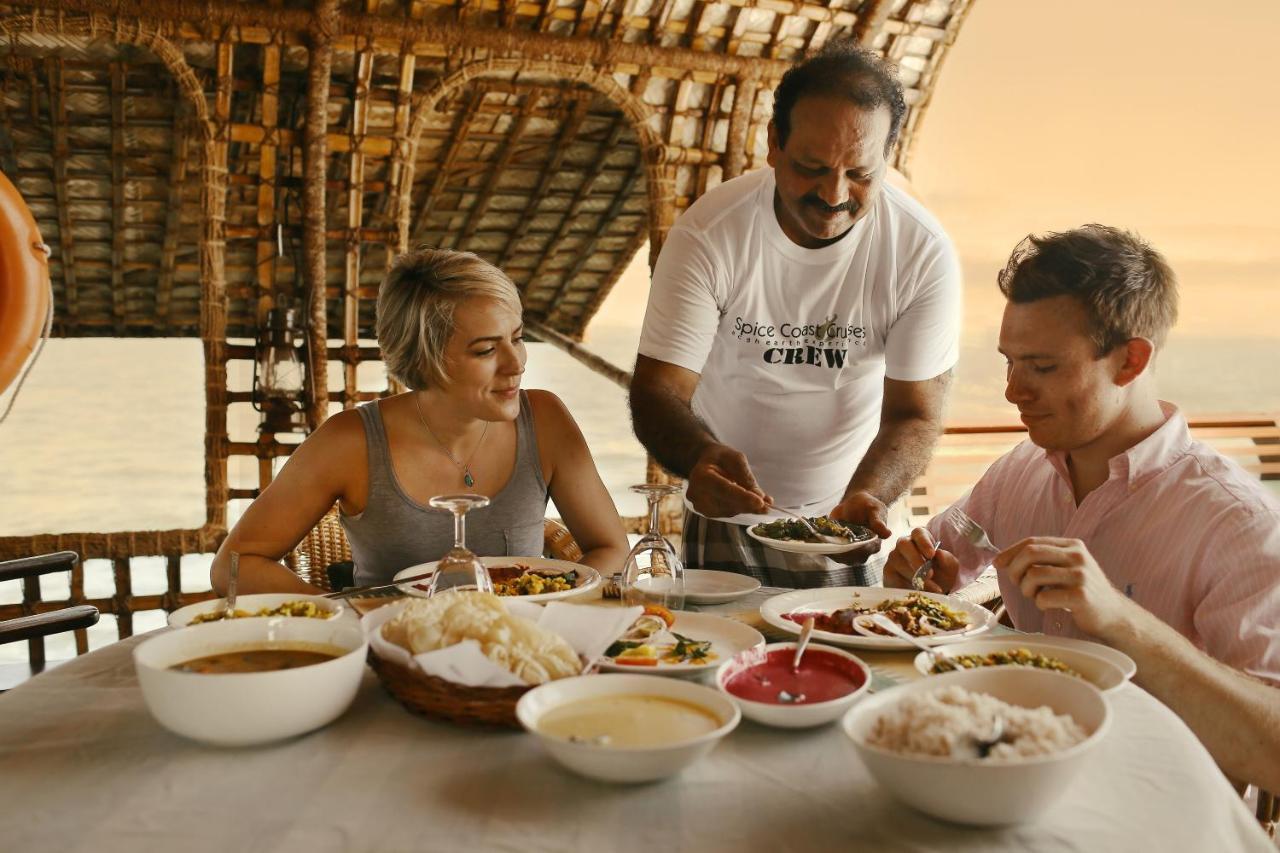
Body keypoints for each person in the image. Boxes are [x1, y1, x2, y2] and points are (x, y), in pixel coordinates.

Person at [884, 225, 1280, 789]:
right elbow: (940, 561)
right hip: (1006, 779)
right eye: (1009, 363)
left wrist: (1121, 620)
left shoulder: (1239, 525)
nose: (1012, 392)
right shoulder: (1019, 471)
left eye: (1042, 367)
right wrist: (920, 577)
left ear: (1130, 361)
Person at [629, 40, 961, 588]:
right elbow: (658, 388)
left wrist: (870, 495)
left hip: (851, 518)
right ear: (774, 144)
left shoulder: (921, 250)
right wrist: (699, 457)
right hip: (725, 518)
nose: (834, 195)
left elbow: (915, 413)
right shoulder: (710, 233)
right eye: (812, 167)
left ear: (888, 158)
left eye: (860, 173)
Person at [211, 249, 629, 594]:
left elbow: (610, 547)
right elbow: (234, 565)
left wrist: (554, 606)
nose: (515, 363)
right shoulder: (351, 442)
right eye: (485, 350)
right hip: (394, 657)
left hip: (518, 652)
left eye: (517, 338)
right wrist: (343, 616)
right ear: (424, 359)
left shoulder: (545, 420)